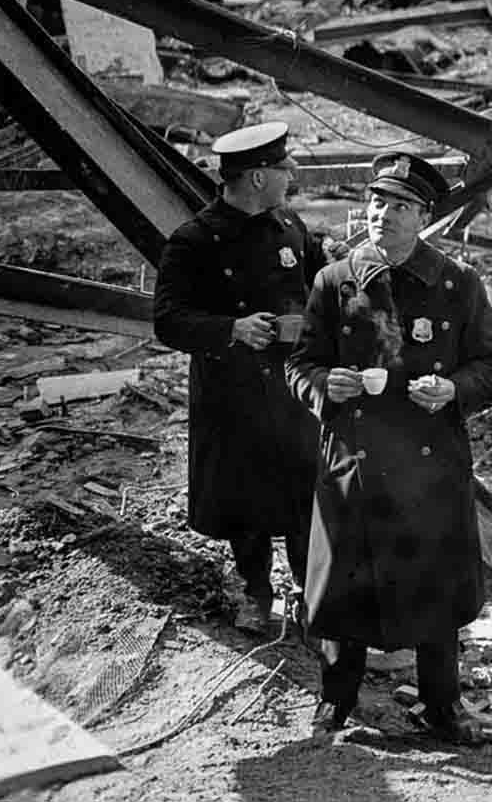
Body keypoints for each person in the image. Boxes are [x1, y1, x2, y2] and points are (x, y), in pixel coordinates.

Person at [285, 153, 492, 743]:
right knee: (345, 588)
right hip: (355, 462)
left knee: (436, 591)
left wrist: (454, 388)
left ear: (424, 217)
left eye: (401, 206)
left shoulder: (456, 282)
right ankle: (336, 700)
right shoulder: (334, 281)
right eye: (379, 202)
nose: (384, 215)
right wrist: (322, 386)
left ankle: (444, 705)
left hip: (429, 464)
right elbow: (300, 362)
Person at [154, 121, 324, 634]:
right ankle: (256, 593)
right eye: (281, 168)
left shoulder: (290, 227)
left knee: (302, 492)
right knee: (244, 499)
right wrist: (231, 328)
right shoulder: (194, 241)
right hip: (233, 392)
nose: (289, 174)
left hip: (292, 389)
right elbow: (168, 320)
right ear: (254, 178)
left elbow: (323, 289)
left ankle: (308, 594)